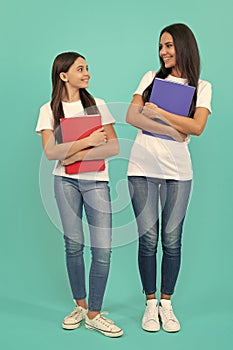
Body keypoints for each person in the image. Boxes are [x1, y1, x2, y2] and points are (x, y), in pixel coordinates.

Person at [126, 23, 212, 333]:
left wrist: (159, 114)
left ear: (184, 47)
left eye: (169, 46)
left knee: (172, 241)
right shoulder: (150, 78)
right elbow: (132, 116)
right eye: (161, 46)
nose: (163, 52)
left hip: (178, 172)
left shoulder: (202, 86)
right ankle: (150, 305)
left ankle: (167, 304)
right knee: (148, 240)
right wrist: (176, 129)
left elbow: (198, 127)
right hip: (141, 168)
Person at [36, 52, 123, 337]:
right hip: (65, 183)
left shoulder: (97, 105)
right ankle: (81, 306)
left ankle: (95, 314)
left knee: (103, 250)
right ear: (64, 75)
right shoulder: (49, 110)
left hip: (96, 182)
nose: (87, 73)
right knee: (73, 246)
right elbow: (51, 153)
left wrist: (70, 148)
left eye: (87, 68)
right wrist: (87, 141)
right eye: (81, 69)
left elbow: (113, 148)